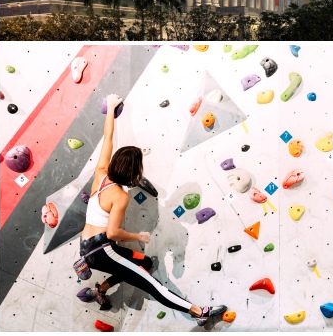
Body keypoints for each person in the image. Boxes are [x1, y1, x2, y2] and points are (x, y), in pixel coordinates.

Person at [80, 94, 228, 326]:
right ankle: (200, 313)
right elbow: (112, 233)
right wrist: (138, 236)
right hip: (102, 249)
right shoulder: (119, 196)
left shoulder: (101, 173)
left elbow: (108, 137)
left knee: (145, 263)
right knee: (154, 285)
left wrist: (110, 108)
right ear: (132, 173)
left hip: (88, 247)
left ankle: (101, 289)